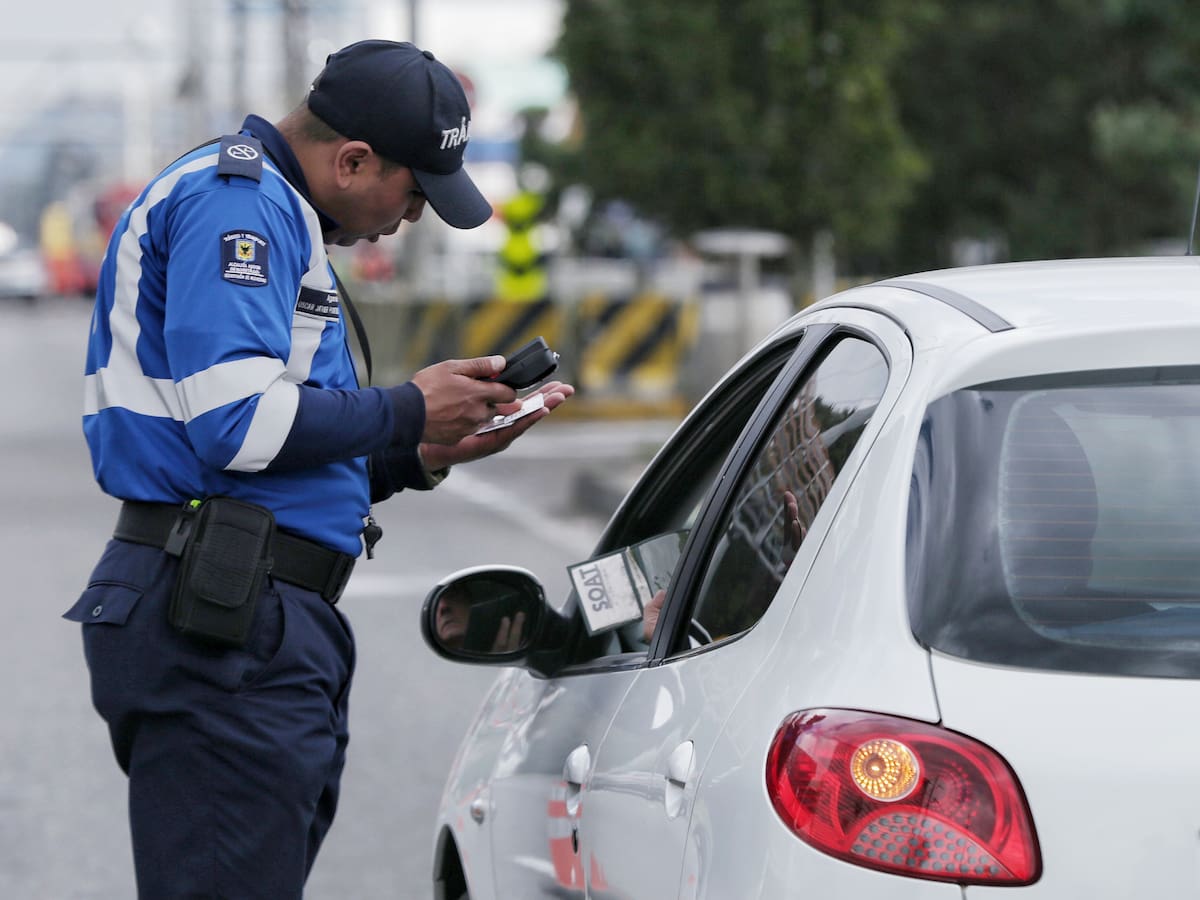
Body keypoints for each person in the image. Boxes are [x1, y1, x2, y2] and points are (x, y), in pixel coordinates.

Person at [63, 39, 573, 899]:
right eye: (414, 194)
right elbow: (237, 426)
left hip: (239, 608)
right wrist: (409, 405)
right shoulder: (242, 209)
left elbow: (270, 454)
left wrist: (416, 453)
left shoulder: (276, 211)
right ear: (352, 159)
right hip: (220, 617)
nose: (410, 219)